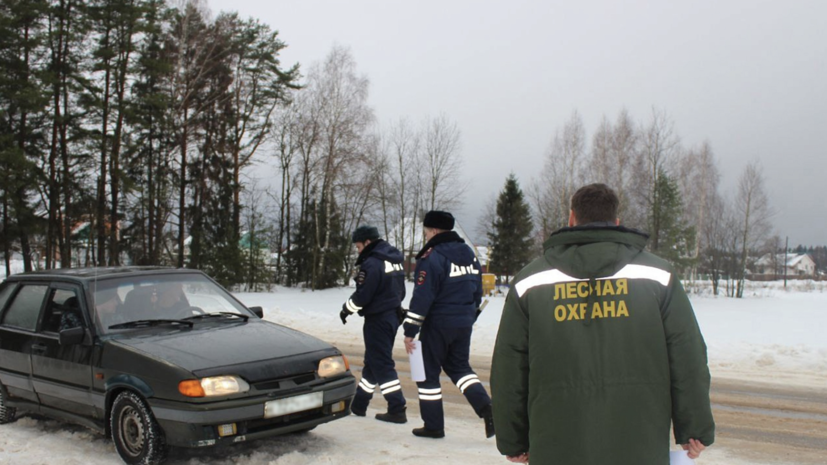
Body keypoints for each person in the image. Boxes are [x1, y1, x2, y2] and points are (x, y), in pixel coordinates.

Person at [490, 183, 715, 464]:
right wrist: (694, 427)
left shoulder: (530, 281)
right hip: (639, 441)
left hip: (556, 443)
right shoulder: (658, 275)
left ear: (572, 218)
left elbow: (509, 367)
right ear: (617, 222)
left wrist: (513, 438)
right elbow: (687, 354)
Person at [402, 211, 494, 439]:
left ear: (433, 230)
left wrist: (410, 331)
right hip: (463, 322)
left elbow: (423, 297)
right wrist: (468, 316)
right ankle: (488, 409)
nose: (425, 237)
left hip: (438, 324)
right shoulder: (469, 254)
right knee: (460, 368)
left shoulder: (433, 256)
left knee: (426, 373)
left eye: (425, 232)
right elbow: (477, 291)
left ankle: (433, 426)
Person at [340, 225, 408, 423]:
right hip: (392, 316)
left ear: (368, 242)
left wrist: (346, 309)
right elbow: (401, 291)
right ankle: (359, 404)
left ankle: (397, 407)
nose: (358, 250)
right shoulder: (393, 260)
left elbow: (363, 295)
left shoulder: (372, 263)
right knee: (373, 362)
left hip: (378, 319)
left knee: (382, 363)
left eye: (359, 246)